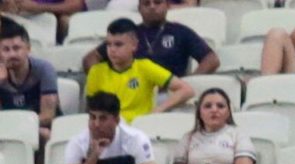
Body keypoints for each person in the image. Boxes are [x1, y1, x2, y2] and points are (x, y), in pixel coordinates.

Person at [85, 18, 194, 123]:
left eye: (118, 44)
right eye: (109, 44)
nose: (112, 49)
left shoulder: (145, 67)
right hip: (108, 130)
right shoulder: (96, 72)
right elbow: (92, 110)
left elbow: (187, 90)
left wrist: (157, 111)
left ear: (134, 45)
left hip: (139, 129)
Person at [83, 0, 219, 78]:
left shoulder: (180, 31)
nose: (152, 7)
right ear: (139, 8)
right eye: (146, 3)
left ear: (167, 5)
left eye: (157, 2)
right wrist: (107, 80)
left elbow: (211, 59)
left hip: (169, 92)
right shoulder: (129, 33)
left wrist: (188, 82)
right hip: (131, 91)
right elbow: (90, 58)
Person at [64, 92, 158, 164]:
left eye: (103, 118)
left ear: (117, 120)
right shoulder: (77, 143)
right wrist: (92, 157)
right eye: (93, 117)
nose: (96, 124)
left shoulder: (136, 139)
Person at [0, 20, 58, 142]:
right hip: (10, 129)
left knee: (44, 134)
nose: (12, 54)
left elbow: (48, 116)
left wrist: (18, 127)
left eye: (17, 48)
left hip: (41, 128)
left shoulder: (44, 69)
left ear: (28, 48)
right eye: (6, 49)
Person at [0, 0, 83, 43]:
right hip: (13, 19)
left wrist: (38, 8)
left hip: (51, 24)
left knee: (65, 20)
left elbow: (76, 6)